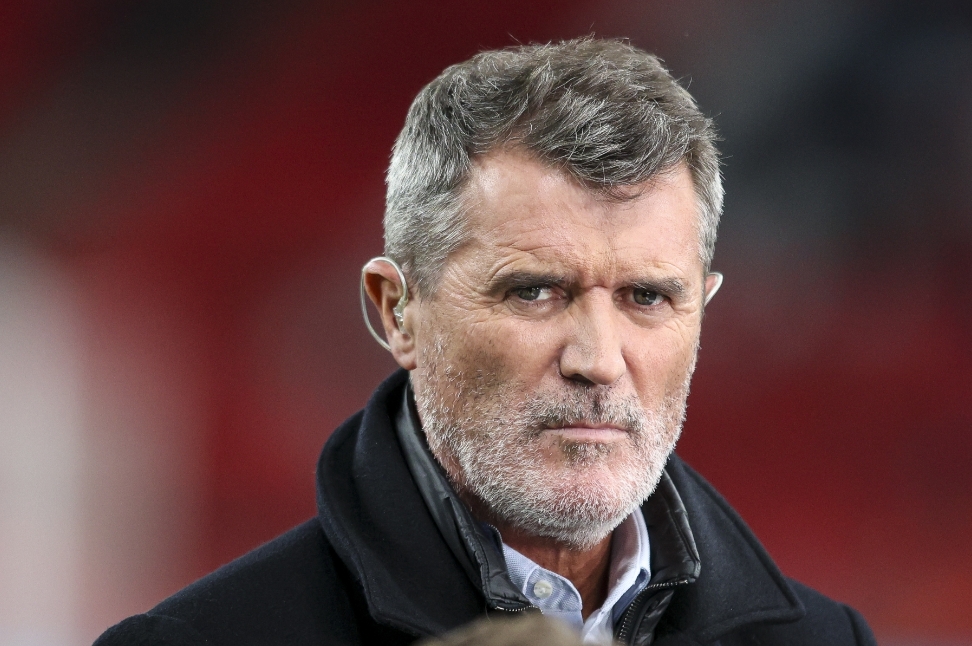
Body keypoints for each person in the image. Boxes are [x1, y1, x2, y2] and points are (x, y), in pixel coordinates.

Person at [95, 38, 876, 646]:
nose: (598, 361)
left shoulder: (825, 641)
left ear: (700, 310)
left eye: (646, 297)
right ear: (396, 312)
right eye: (533, 292)